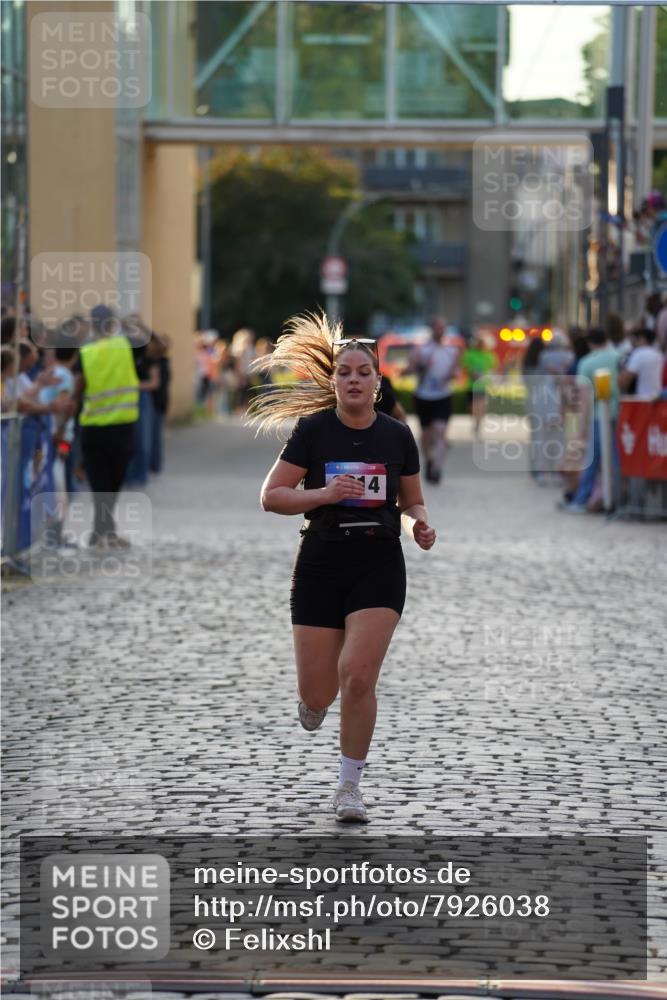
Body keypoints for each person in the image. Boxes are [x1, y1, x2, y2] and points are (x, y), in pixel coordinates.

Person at [252, 313, 436, 824]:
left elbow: (411, 502)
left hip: (378, 563)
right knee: (318, 692)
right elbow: (272, 496)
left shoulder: (397, 436)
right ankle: (314, 701)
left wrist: (419, 526)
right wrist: (326, 494)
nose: (353, 379)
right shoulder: (313, 431)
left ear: (378, 383)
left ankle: (349, 787)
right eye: (344, 372)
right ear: (332, 382)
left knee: (357, 676)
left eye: (363, 372)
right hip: (320, 563)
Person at [74, 305, 139, 547]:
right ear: (112, 323)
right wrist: (133, 322)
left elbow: (77, 390)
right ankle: (105, 533)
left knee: (101, 485)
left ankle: (100, 532)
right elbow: (158, 346)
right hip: (122, 428)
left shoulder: (86, 352)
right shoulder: (126, 345)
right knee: (111, 485)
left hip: (93, 429)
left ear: (92, 324)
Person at [562, 328, 620, 514]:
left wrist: (581, 427)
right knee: (616, 459)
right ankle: (618, 498)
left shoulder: (587, 363)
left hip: (598, 417)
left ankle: (581, 499)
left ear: (590, 343)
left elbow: (585, 399)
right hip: (622, 414)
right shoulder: (619, 357)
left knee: (592, 461)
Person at [407, 317, 459, 483]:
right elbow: (411, 368)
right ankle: (429, 459)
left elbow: (455, 370)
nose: (440, 331)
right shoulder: (422, 349)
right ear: (432, 329)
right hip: (423, 396)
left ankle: (437, 467)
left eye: (443, 328)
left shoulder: (451, 350)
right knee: (426, 433)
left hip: (443, 396)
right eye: (438, 328)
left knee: (440, 430)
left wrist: (452, 375)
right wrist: (420, 365)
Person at [461, 335, 497, 437]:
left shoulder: (489, 355)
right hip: (471, 385)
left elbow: (493, 369)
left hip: (483, 385)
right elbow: (464, 367)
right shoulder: (470, 354)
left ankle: (478, 424)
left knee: (481, 406)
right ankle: (475, 420)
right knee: (472, 406)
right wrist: (472, 374)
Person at [618, 328, 664, 399]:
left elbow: (624, 382)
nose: (635, 341)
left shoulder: (639, 353)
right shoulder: (659, 355)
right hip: (659, 399)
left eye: (637, 338)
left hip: (642, 400)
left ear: (643, 339)